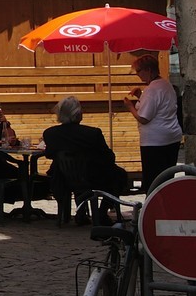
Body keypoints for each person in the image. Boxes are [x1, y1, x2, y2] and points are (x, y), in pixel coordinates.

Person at [42, 96, 131, 225]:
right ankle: (101, 213)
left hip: (64, 180)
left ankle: (79, 212)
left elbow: (49, 154)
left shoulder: (50, 133)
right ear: (77, 113)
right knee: (119, 175)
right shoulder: (92, 133)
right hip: (93, 179)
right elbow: (109, 158)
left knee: (74, 173)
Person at [125, 54, 182, 190]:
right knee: (167, 178)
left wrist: (130, 107)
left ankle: (154, 207)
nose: (138, 75)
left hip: (155, 142)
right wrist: (140, 96)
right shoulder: (166, 84)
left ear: (148, 70)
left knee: (154, 180)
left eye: (139, 71)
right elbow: (159, 106)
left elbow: (144, 118)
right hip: (171, 136)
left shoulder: (152, 90)